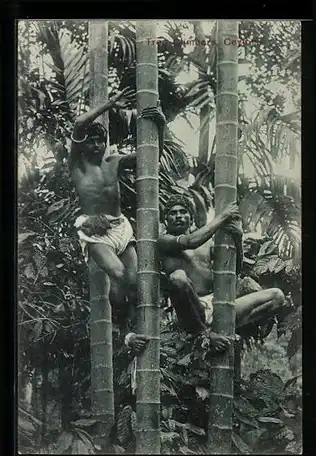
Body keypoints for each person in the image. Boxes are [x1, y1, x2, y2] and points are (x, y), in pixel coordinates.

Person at [69, 87, 166, 338]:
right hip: (95, 231)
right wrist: (110, 103)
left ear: (105, 143)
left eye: (100, 141)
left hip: (120, 227)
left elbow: (151, 157)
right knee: (119, 273)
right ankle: (123, 332)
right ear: (82, 144)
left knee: (134, 284)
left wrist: (161, 125)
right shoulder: (77, 165)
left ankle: (133, 332)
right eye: (90, 141)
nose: (96, 145)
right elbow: (80, 123)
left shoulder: (114, 162)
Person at [157, 194, 286, 354]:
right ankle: (204, 334)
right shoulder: (163, 241)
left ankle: (225, 329)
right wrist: (223, 216)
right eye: (173, 213)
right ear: (166, 220)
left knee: (277, 297)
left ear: (191, 218)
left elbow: (232, 272)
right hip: (190, 311)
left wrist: (238, 239)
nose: (178, 216)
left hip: (218, 307)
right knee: (178, 277)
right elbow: (189, 242)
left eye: (183, 212)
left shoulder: (208, 245)